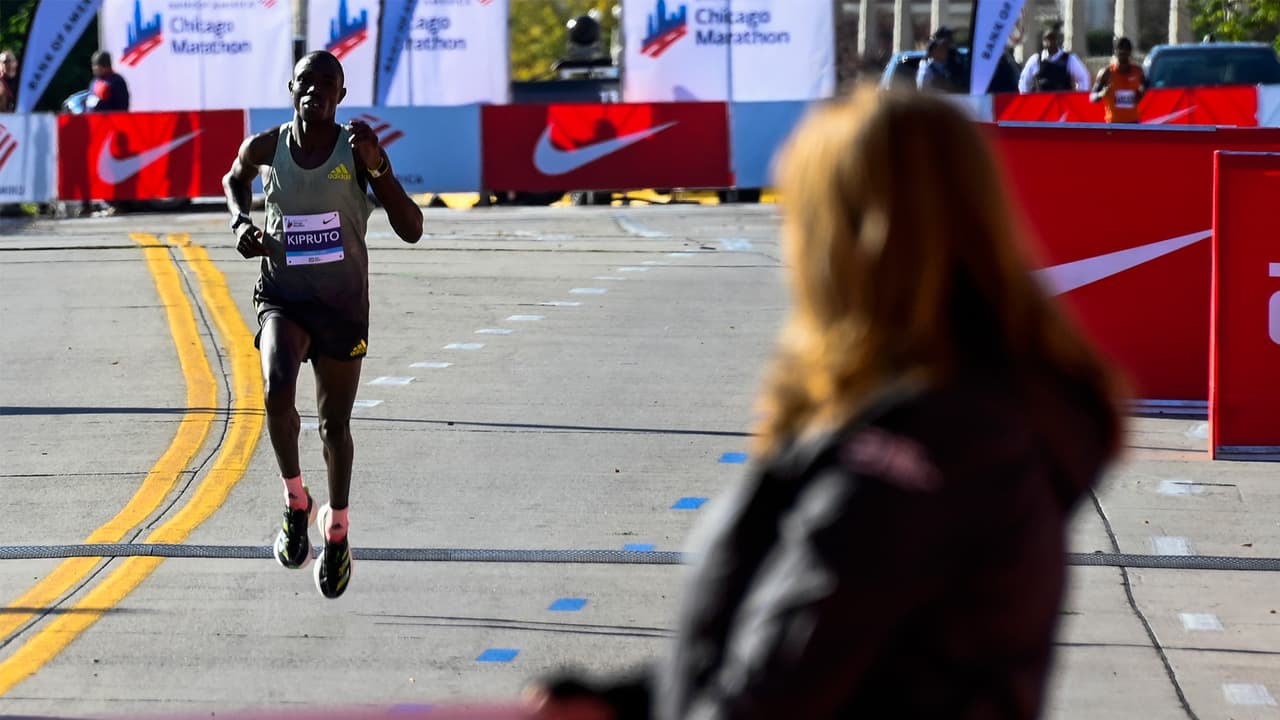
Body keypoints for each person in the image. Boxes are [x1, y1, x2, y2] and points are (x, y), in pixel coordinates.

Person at [523, 86, 1124, 719]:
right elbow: (823, 657)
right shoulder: (951, 410)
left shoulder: (923, 442)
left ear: (849, 239)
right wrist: (625, 703)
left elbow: (783, 690)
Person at [221, 50, 423, 599]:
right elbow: (234, 178)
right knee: (275, 389)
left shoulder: (357, 151)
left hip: (341, 306)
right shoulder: (267, 146)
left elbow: (412, 228)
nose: (315, 91)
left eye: (327, 84)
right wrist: (240, 222)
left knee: (334, 426)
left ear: (342, 95)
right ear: (291, 89)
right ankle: (296, 502)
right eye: (305, 83)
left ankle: (336, 531)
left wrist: (378, 166)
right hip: (283, 295)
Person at [1018, 24, 1090, 93]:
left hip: (1063, 100)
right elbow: (1024, 81)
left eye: (1052, 38)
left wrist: (1079, 97)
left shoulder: (1070, 59)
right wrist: (1027, 99)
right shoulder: (1036, 60)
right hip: (1043, 100)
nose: (1050, 42)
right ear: (1043, 41)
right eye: (1047, 39)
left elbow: (1083, 78)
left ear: (1057, 40)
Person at [1091, 37, 1147, 123]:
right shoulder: (1106, 73)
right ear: (1115, 53)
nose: (1123, 56)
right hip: (1113, 124)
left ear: (1130, 53)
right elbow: (1092, 97)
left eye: (1126, 53)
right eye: (1121, 53)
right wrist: (1102, 93)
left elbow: (1145, 87)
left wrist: (1140, 94)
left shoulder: (1138, 72)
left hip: (1133, 123)